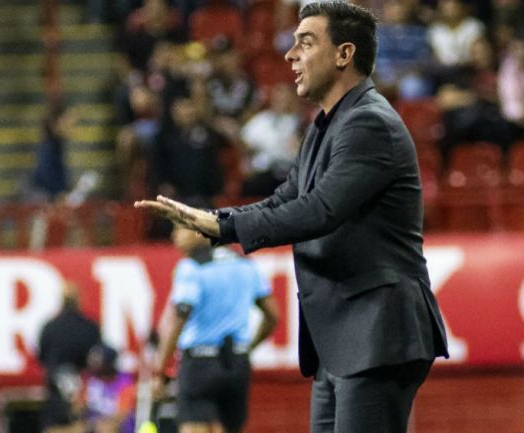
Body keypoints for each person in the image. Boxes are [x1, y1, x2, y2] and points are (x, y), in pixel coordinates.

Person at [135, 2, 450, 433]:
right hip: (342, 339)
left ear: (344, 54)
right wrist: (214, 221)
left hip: (376, 333)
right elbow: (284, 199)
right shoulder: (325, 126)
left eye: (306, 42)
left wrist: (223, 228)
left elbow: (320, 210)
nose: (289, 55)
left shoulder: (369, 123)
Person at [152, 225, 279, 433]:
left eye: (180, 230)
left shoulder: (192, 266)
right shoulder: (245, 263)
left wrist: (160, 370)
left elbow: (179, 317)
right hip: (237, 363)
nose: (174, 236)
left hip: (199, 365)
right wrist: (248, 349)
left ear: (199, 231)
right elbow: (273, 316)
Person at [37, 283, 102, 433]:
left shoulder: (50, 327)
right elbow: (97, 360)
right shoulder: (90, 327)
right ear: (79, 300)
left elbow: (42, 358)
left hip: (56, 393)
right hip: (85, 393)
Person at [80, 343, 137, 433]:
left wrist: (97, 425)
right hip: (92, 426)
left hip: (118, 427)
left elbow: (122, 415)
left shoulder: (125, 382)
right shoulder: (89, 380)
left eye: (97, 360)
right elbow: (79, 408)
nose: (92, 363)